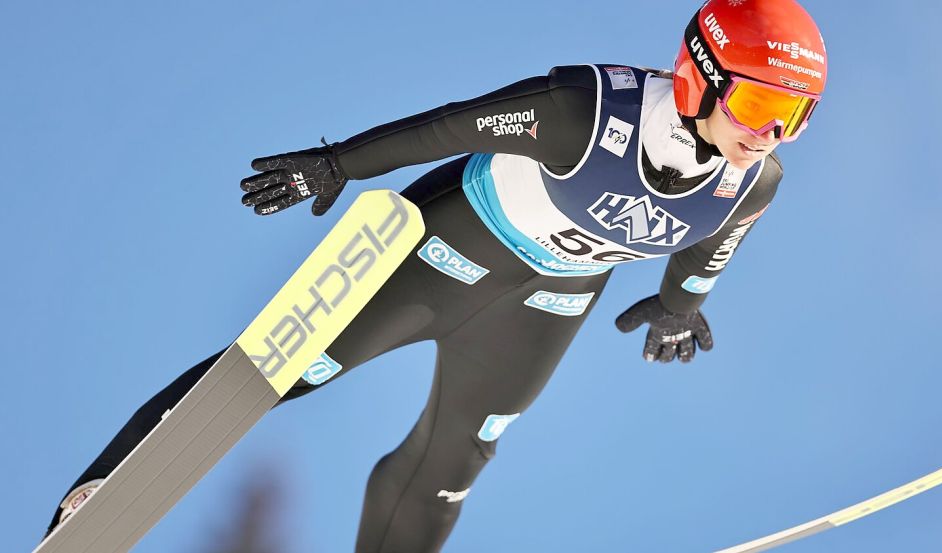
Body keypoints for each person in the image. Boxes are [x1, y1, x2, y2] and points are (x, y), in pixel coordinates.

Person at [45, 0, 828, 550]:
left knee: (453, 462)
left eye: (793, 116)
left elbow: (706, 248)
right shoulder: (585, 111)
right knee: (276, 371)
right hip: (450, 248)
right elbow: (452, 123)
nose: (768, 133)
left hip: (548, 302)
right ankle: (101, 491)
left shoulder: (752, 182)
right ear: (697, 74)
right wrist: (335, 164)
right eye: (759, 102)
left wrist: (676, 309)